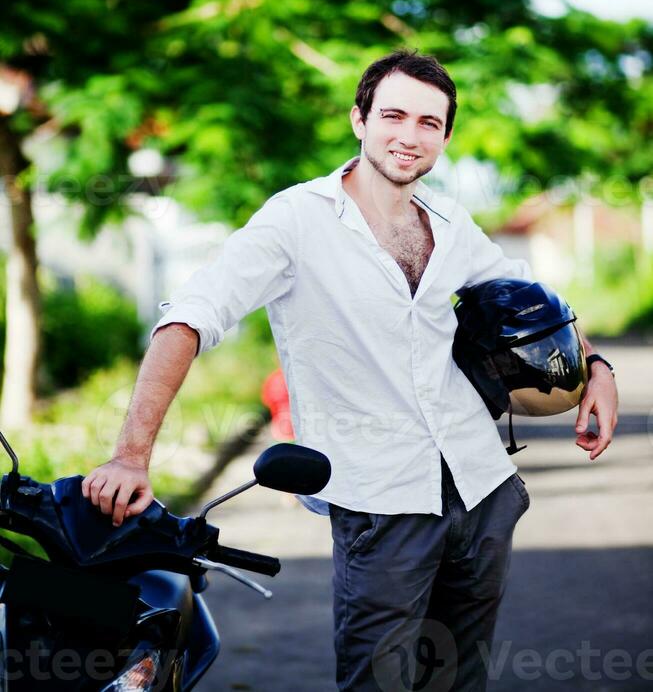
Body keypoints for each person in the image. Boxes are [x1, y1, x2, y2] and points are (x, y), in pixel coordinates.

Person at [83, 50, 618, 691]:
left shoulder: (449, 223)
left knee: (461, 681)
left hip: (481, 489)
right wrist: (130, 456)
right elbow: (190, 319)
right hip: (380, 503)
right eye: (393, 115)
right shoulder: (296, 219)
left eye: (429, 122)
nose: (410, 135)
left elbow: (537, 302)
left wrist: (598, 366)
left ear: (446, 136)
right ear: (358, 120)